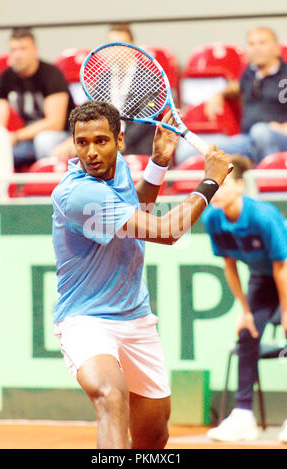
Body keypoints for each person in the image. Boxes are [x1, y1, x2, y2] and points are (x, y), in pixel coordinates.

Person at [51, 100, 231, 449]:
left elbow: (136, 212)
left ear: (120, 141)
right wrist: (210, 181)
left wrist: (159, 163)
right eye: (82, 142)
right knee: (111, 395)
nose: (90, 152)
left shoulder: (114, 171)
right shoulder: (77, 193)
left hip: (136, 320)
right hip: (86, 320)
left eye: (101, 141)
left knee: (153, 437)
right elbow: (166, 231)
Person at [201, 154, 287, 443]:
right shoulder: (212, 218)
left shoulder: (262, 216)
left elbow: (281, 266)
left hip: (283, 273)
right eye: (212, 184)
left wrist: (286, 313)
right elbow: (229, 265)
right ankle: (242, 416)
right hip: (262, 279)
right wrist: (246, 311)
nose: (216, 190)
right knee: (246, 335)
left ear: (239, 186)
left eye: (223, 184)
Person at [175, 27, 287, 166]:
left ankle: (272, 181)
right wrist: (219, 95)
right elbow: (236, 88)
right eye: (251, 44)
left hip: (278, 138)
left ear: (276, 48)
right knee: (187, 149)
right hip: (247, 140)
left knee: (261, 132)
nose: (256, 48)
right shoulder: (249, 74)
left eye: (262, 43)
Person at [51, 22, 156, 161]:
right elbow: (90, 111)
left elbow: (146, 118)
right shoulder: (103, 79)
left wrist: (121, 140)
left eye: (120, 44)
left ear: (132, 47)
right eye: (111, 45)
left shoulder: (148, 78)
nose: (116, 49)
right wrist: (73, 138)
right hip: (104, 140)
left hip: (135, 145)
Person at [0, 27, 75, 169]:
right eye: (13, 50)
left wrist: (16, 136)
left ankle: (49, 187)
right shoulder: (5, 78)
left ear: (35, 50)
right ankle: (4, 190)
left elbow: (55, 123)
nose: (17, 55)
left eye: (23, 49)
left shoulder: (51, 74)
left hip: (62, 136)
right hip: (27, 139)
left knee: (44, 140)